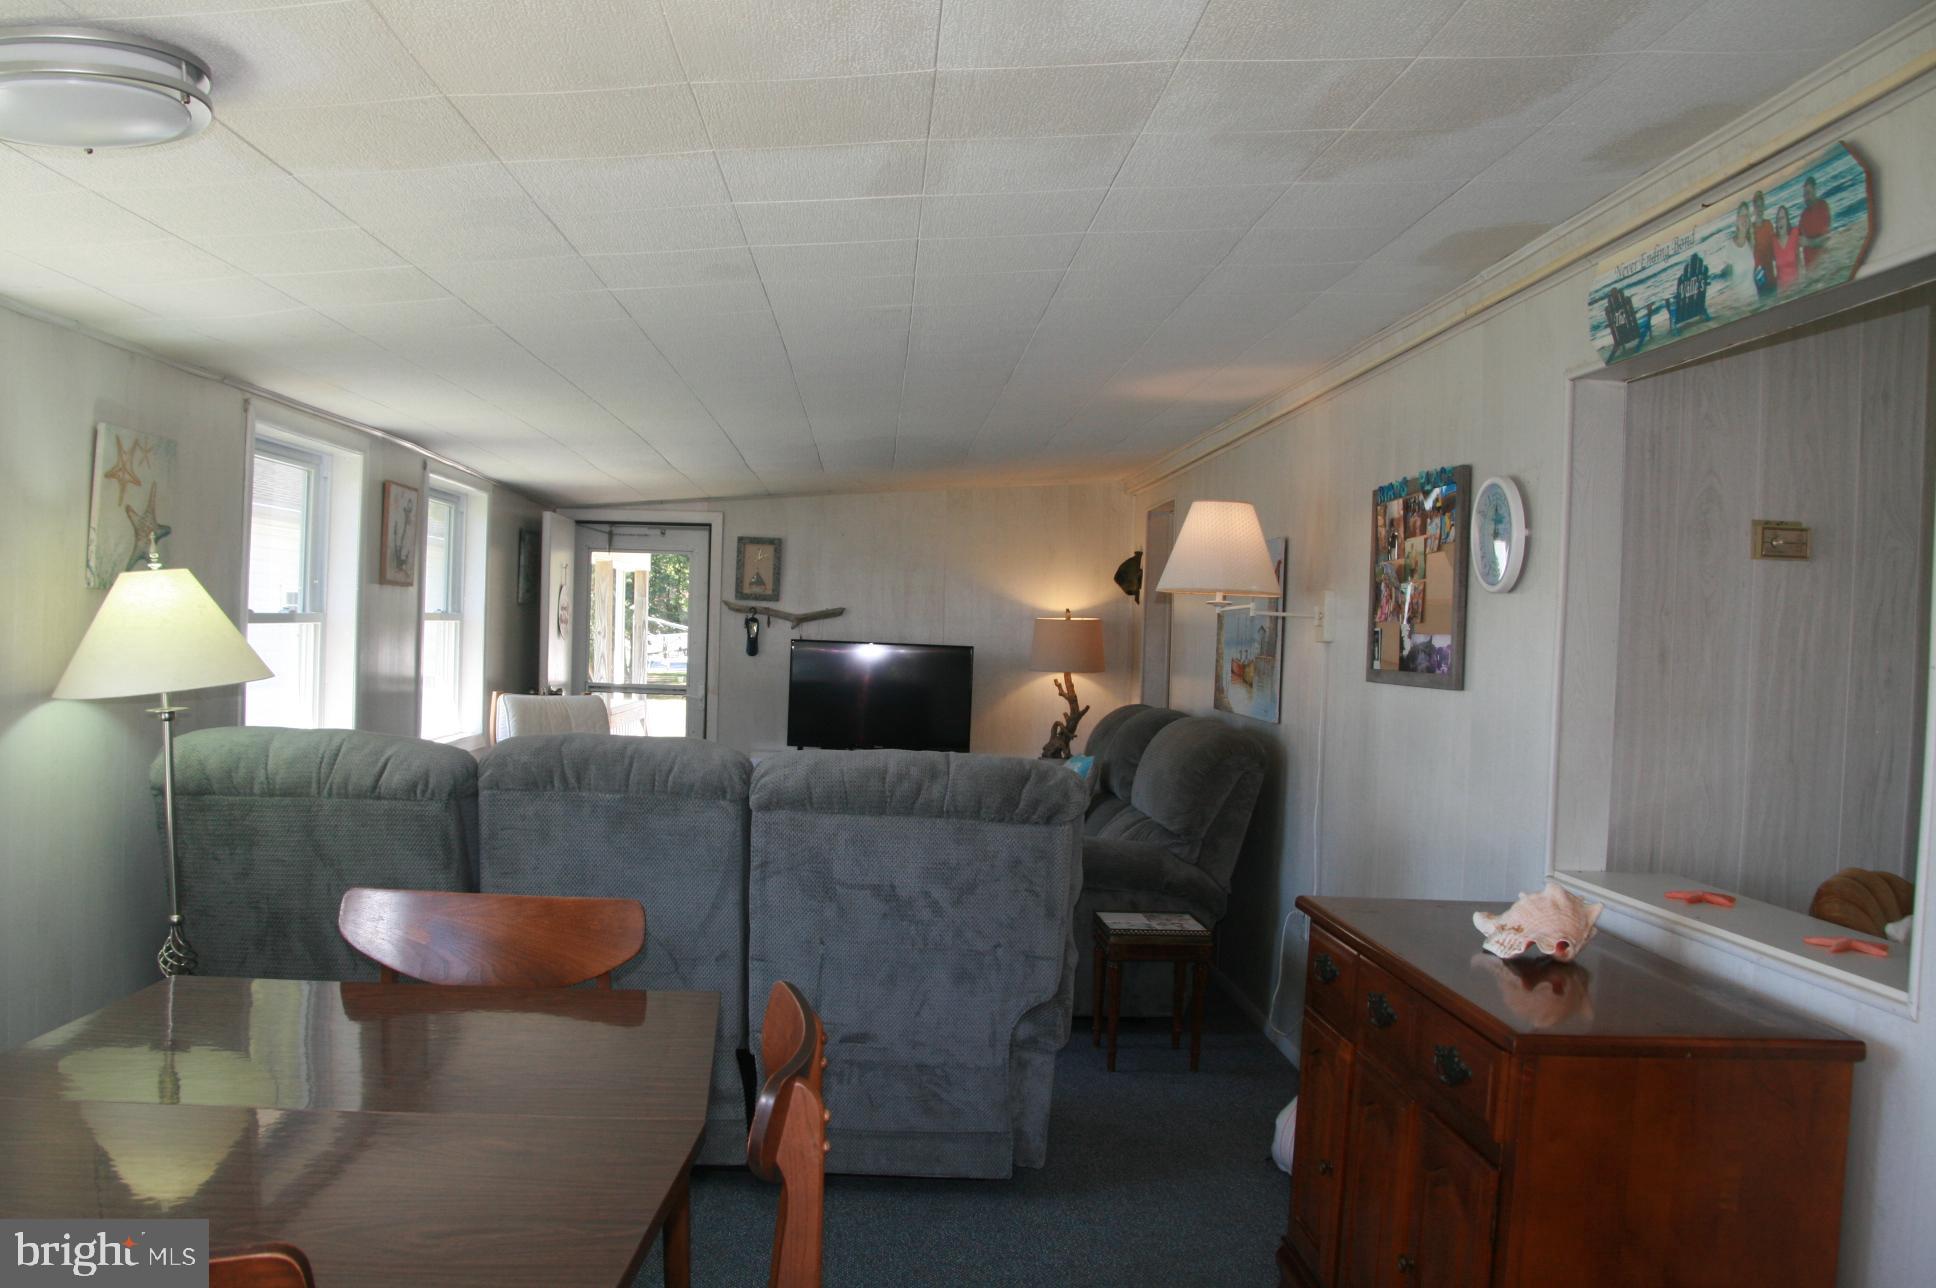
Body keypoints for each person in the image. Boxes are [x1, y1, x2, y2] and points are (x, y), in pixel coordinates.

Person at [1717, 202, 1757, 309]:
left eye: (1747, 215)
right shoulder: (1729, 246)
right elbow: (1728, 281)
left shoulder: (1751, 243)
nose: (1744, 219)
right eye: (1741, 215)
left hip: (1754, 300)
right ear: (1737, 220)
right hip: (1741, 305)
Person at [1798, 175, 1832, 272]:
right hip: (1809, 269)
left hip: (1822, 264)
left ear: (1815, 191)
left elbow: (1824, 239)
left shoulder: (1822, 207)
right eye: (1804, 194)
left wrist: (1807, 242)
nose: (1806, 197)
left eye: (1808, 193)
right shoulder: (1803, 215)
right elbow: (1799, 239)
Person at [1750, 190, 1777, 297]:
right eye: (1757, 206)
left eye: (1761, 206)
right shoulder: (1750, 229)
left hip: (1770, 271)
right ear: (1754, 208)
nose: (1759, 209)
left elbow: (1774, 248)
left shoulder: (1768, 224)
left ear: (1764, 207)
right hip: (1759, 274)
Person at [1772, 205, 1801, 289]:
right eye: (1778, 219)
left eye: (1782, 218)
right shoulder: (1773, 240)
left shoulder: (1795, 233)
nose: (1780, 221)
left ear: (1787, 220)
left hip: (1797, 287)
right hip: (1782, 291)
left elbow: (1800, 260)